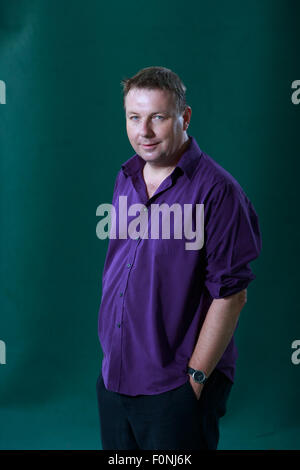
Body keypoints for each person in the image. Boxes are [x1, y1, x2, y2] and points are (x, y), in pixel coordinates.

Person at [96, 66, 262, 450]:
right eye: (134, 118)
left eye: (158, 117)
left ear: (183, 118)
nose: (144, 131)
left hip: (176, 386)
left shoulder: (218, 192)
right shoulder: (127, 177)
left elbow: (232, 295)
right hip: (116, 378)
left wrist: (195, 380)